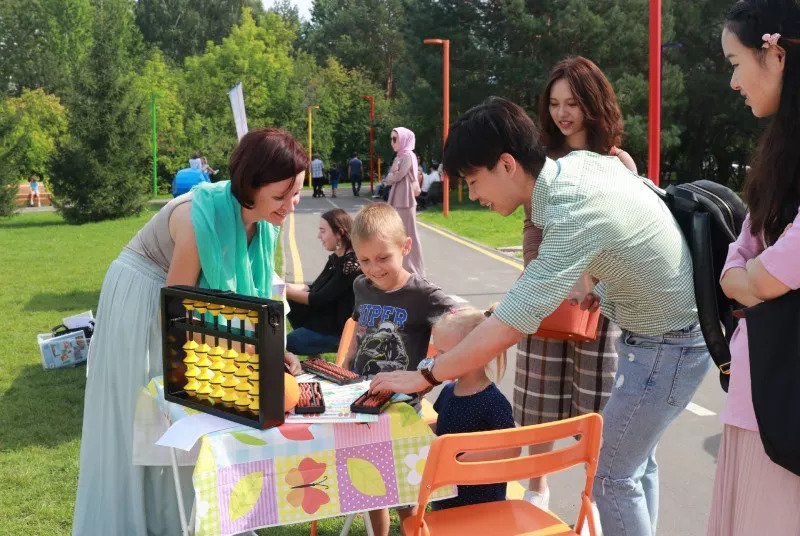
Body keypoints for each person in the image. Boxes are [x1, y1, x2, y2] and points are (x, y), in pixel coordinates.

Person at [370, 97, 711, 536]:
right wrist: (611, 284)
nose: (472, 195)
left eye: (473, 181)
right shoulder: (578, 168)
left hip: (669, 342)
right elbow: (637, 218)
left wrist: (427, 374)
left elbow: (508, 325)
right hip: (667, 331)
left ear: (506, 165)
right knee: (633, 465)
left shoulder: (570, 213)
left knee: (612, 474)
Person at [71, 128, 307, 536]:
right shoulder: (197, 220)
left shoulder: (266, 221)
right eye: (280, 196)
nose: (290, 206)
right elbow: (178, 314)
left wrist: (272, 349)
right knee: (151, 411)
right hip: (144, 296)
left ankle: (192, 519)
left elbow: (258, 296)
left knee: (194, 413)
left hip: (172, 299)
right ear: (249, 187)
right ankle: (147, 523)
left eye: (297, 193)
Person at [516, 56, 638, 512]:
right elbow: (533, 226)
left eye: (572, 103)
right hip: (547, 292)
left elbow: (629, 232)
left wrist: (595, 282)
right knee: (539, 396)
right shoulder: (543, 163)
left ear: (593, 103)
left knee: (598, 406)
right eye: (554, 104)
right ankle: (537, 487)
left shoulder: (617, 163)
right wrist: (538, 271)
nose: (562, 113)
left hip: (599, 300)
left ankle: (593, 497)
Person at [708, 2, 800, 534]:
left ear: (777, 55)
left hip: (786, 403)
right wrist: (754, 280)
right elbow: (738, 259)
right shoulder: (779, 156)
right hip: (758, 389)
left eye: (735, 63)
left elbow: (765, 273)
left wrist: (755, 281)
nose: (734, 82)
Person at [341, 202, 455, 536]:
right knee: (372, 487)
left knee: (407, 494)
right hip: (364, 404)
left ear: (405, 247)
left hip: (403, 410)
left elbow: (463, 326)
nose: (373, 269)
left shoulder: (423, 294)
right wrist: (347, 360)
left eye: (383, 258)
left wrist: (430, 372)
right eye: (364, 260)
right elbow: (358, 323)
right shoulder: (360, 286)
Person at [429, 306, 518, 511]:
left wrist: (470, 457)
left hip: (482, 502)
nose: (436, 359)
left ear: (473, 354)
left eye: (443, 353)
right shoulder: (449, 390)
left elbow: (512, 448)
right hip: (445, 494)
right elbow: (444, 424)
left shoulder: (493, 401)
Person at [285, 208, 360, 359]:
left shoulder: (350, 265)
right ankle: (315, 357)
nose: (319, 236)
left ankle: (317, 352)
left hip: (339, 331)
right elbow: (315, 287)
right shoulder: (336, 258)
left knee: (289, 342)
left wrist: (283, 291)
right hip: (326, 321)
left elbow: (319, 299)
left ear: (339, 233)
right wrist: (285, 286)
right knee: (292, 300)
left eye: (323, 231)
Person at [386, 127, 425, 276]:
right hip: (398, 196)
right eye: (391, 139)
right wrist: (392, 175)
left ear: (403, 140)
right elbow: (390, 177)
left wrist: (392, 175)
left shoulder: (408, 156)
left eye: (395, 139)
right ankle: (400, 265)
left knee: (409, 233)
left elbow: (396, 176)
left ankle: (413, 267)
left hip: (406, 198)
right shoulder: (399, 157)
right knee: (397, 232)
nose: (392, 142)